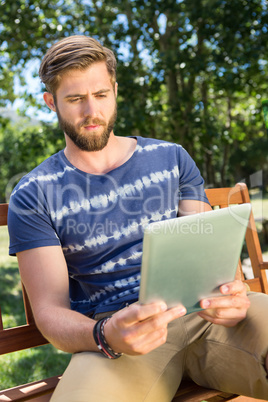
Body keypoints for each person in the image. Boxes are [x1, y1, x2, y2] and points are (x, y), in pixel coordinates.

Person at [8, 35, 268, 401]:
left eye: (100, 95)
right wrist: (105, 334)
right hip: (117, 336)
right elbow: (50, 313)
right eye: (74, 99)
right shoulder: (34, 193)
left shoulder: (172, 159)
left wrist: (232, 291)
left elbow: (206, 256)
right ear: (51, 102)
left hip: (204, 315)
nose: (91, 112)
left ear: (115, 90)